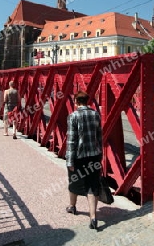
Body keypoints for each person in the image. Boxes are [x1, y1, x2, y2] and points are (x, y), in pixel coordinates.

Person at [66, 91, 102, 230]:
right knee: (92, 185)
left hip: (79, 156)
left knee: (74, 181)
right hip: (94, 155)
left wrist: (70, 161)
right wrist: (100, 155)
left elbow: (71, 141)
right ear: (87, 101)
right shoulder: (95, 114)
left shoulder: (73, 116)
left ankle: (72, 206)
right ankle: (93, 217)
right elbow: (99, 137)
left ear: (76, 101)